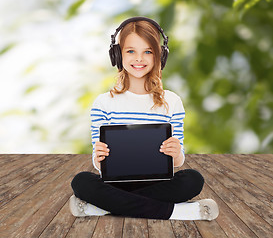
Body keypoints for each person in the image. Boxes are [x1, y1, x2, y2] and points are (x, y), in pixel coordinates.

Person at [70, 17, 219, 221]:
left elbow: (178, 160)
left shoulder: (172, 101)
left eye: (147, 51)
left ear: (160, 56)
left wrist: (176, 153)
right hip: (116, 183)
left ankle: (102, 208)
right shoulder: (103, 103)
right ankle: (177, 212)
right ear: (117, 55)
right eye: (131, 51)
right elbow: (99, 164)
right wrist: (98, 157)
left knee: (193, 179)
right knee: (82, 181)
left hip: (158, 182)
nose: (139, 59)